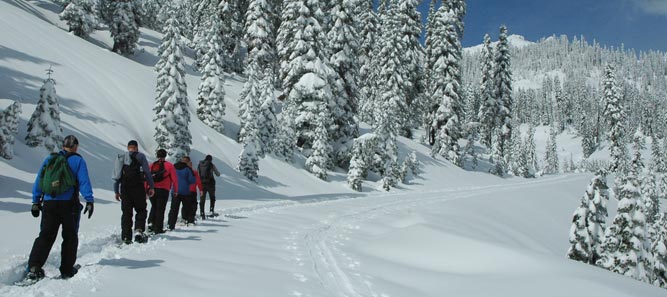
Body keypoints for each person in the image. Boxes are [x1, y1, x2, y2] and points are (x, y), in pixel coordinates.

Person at [26, 135, 95, 280]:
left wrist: (35, 201)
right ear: (75, 146)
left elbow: (39, 180)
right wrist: (89, 200)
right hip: (69, 205)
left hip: (49, 204)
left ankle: (34, 267)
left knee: (45, 236)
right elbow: (84, 181)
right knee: (70, 237)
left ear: (63, 145)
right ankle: (66, 270)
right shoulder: (78, 160)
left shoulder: (50, 159)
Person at [112, 140, 155, 244]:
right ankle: (138, 231)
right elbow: (147, 172)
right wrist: (151, 187)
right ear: (136, 147)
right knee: (141, 210)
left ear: (128, 147)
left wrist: (116, 191)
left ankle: (126, 237)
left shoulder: (121, 157)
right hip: (138, 188)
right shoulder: (141, 157)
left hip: (125, 188)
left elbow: (116, 176)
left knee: (126, 212)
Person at [147, 149, 178, 234]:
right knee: (160, 209)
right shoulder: (170, 166)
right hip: (164, 189)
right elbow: (174, 179)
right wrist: (175, 190)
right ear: (165, 156)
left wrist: (146, 188)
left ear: (157, 155)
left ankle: (150, 223)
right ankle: (158, 228)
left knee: (154, 206)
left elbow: (147, 177)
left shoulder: (152, 165)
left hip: (152, 189)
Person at [167, 156, 196, 230]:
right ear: (188, 162)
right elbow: (192, 180)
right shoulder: (187, 169)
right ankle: (190, 221)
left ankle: (170, 224)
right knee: (188, 207)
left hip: (175, 191)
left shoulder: (174, 167)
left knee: (173, 209)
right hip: (185, 191)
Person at [197, 155, 221, 219]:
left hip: (202, 184)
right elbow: (217, 174)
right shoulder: (211, 165)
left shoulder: (200, 164)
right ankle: (211, 211)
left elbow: (198, 174)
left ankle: (202, 213)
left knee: (202, 199)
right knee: (212, 198)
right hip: (210, 184)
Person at [182, 157, 202, 224]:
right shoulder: (194, 172)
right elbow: (198, 181)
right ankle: (191, 219)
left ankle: (184, 218)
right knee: (193, 205)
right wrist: (201, 189)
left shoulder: (181, 171)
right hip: (192, 191)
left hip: (184, 190)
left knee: (185, 205)